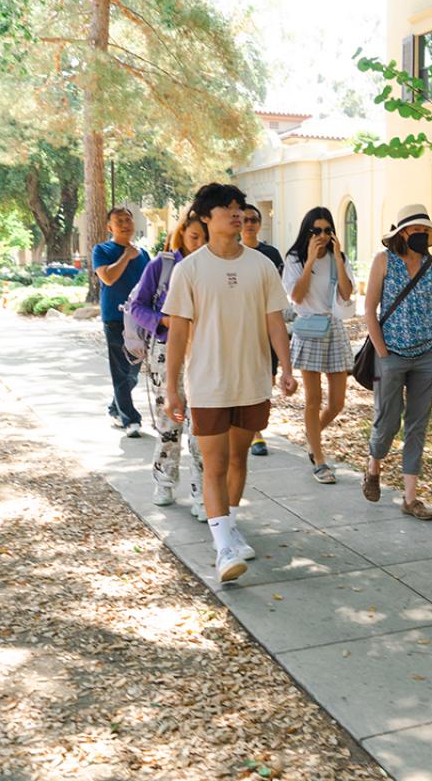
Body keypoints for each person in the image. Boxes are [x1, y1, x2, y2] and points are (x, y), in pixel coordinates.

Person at [163, 183, 298, 583]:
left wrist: (286, 368)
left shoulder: (260, 266)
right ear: (205, 217)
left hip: (253, 380)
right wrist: (172, 388)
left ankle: (231, 528)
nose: (236, 213)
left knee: (239, 460)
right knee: (214, 465)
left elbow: (275, 320)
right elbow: (178, 335)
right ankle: (223, 547)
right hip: (208, 384)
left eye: (239, 207)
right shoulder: (189, 269)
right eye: (226, 207)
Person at [362, 204, 432, 520]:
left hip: (425, 356)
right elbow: (369, 309)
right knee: (388, 420)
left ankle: (410, 498)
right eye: (417, 230)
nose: (422, 235)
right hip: (391, 356)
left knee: (417, 424)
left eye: (426, 231)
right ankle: (374, 466)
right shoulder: (383, 262)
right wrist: (383, 354)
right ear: (402, 233)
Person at [128, 214, 206, 515]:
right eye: (195, 236)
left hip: (203, 349)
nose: (199, 243)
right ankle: (164, 479)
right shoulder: (162, 266)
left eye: (205, 238)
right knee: (169, 419)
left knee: (201, 423)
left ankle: (202, 491)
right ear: (183, 234)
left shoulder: (211, 268)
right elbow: (137, 305)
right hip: (165, 349)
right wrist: (163, 319)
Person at [281, 207, 356, 483]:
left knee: (337, 402)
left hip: (333, 326)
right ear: (307, 231)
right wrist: (311, 259)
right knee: (313, 400)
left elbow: (346, 294)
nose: (322, 236)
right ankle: (320, 460)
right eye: (316, 230)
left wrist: (336, 258)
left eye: (327, 230)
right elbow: (296, 297)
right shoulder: (295, 258)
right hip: (309, 327)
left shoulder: (340, 257)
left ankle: (312, 439)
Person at [93, 206, 149, 436]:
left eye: (128, 219)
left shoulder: (144, 254)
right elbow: (108, 278)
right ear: (110, 227)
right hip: (115, 317)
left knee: (133, 371)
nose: (125, 224)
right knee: (120, 370)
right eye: (119, 221)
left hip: (140, 318)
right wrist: (126, 255)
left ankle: (115, 408)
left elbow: (150, 284)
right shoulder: (102, 249)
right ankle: (130, 419)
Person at [241, 204, 284, 457]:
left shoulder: (271, 254)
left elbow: (276, 292)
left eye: (254, 219)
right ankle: (254, 432)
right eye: (245, 219)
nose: (249, 224)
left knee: (267, 379)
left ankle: (256, 425)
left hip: (266, 326)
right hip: (240, 327)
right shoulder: (229, 254)